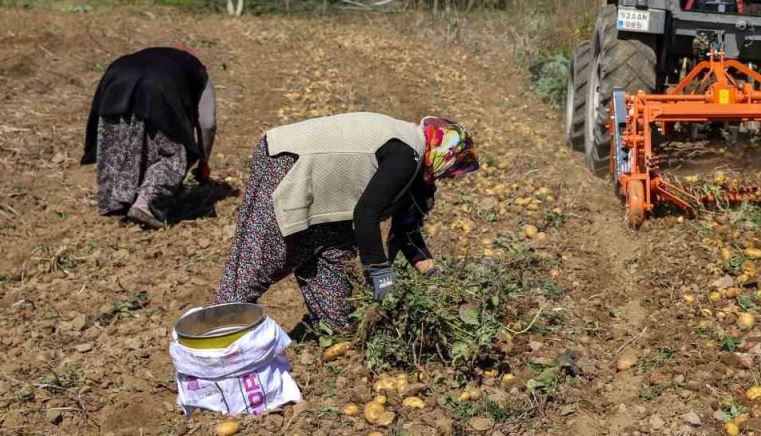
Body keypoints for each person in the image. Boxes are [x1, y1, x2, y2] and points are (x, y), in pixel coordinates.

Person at [214, 112, 478, 332]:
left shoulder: (418, 169)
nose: (451, 177)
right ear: (446, 152)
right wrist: (380, 272)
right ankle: (217, 335)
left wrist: (434, 276)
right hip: (287, 161)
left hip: (330, 195)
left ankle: (332, 327)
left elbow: (406, 231)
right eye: (455, 166)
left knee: (335, 271)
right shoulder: (406, 153)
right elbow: (366, 212)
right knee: (263, 257)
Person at [81, 45, 216, 229]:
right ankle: (144, 204)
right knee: (173, 153)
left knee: (119, 142)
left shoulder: (148, 56)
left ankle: (119, 202)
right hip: (158, 88)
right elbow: (207, 123)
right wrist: (203, 160)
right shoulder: (197, 70)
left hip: (116, 77)